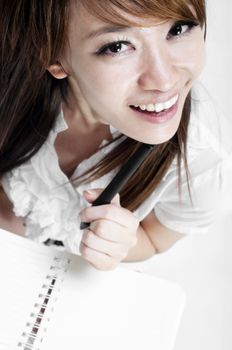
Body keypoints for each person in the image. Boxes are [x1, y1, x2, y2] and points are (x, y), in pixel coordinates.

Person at [0, 0, 229, 270]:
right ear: (52, 56)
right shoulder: (13, 82)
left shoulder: (203, 169)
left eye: (178, 29)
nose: (164, 80)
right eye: (117, 46)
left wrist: (123, 242)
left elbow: (154, 240)